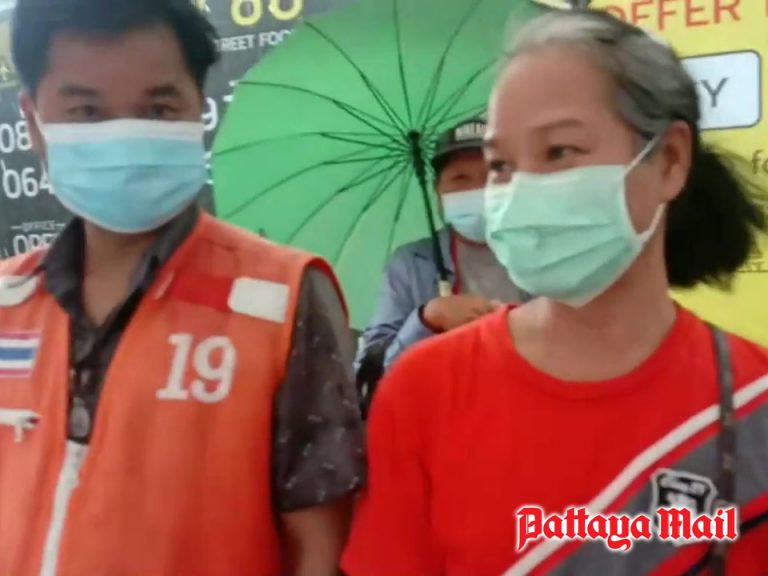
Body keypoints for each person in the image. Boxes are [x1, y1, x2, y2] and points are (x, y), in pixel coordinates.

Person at [343, 10, 768, 576]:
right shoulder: (423, 393)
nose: (520, 192)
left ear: (669, 160)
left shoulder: (753, 402)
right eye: (501, 165)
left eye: (560, 152)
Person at [0, 1, 364, 575]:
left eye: (158, 109)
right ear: (33, 121)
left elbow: (320, 549)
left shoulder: (281, 299)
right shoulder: (7, 302)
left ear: (199, 108)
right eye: (87, 111)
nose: (123, 137)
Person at [356, 119, 528, 375]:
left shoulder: (546, 254)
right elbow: (371, 371)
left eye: (491, 176)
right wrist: (426, 319)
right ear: (438, 190)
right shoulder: (410, 264)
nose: (477, 189)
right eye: (460, 178)